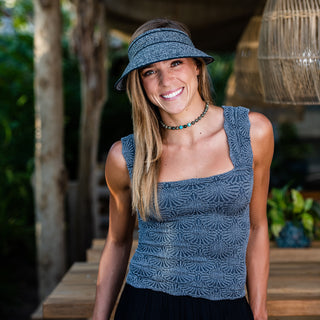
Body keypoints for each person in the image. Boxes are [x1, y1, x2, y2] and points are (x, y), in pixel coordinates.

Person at [92, 18, 273, 320]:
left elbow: (257, 226)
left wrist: (259, 310)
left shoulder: (252, 132)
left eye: (176, 63)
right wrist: (98, 317)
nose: (166, 80)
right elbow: (117, 241)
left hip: (227, 307)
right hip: (146, 305)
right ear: (139, 83)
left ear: (198, 66)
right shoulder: (125, 156)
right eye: (151, 71)